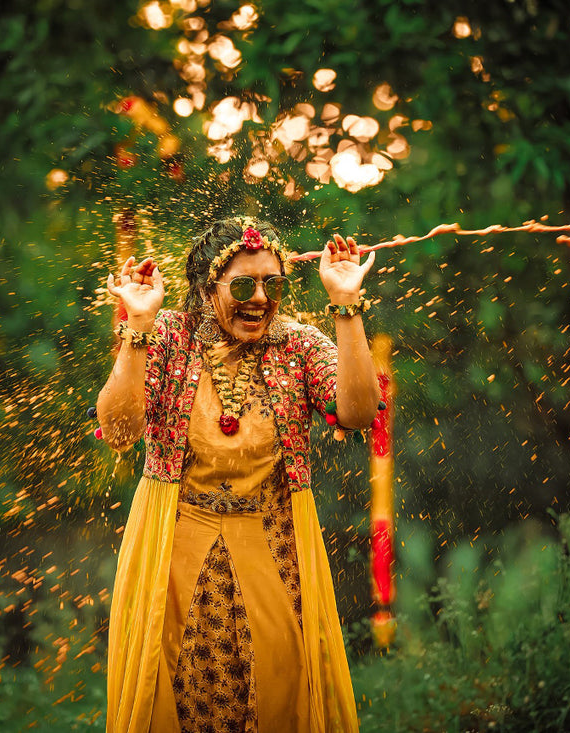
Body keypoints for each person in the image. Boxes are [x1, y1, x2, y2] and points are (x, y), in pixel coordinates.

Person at [97, 215, 379, 733]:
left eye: (272, 285)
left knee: (278, 693)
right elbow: (118, 431)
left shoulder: (298, 345)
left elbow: (359, 412)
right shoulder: (168, 338)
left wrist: (346, 306)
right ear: (208, 288)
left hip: (274, 551)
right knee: (173, 698)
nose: (260, 299)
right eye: (244, 285)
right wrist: (136, 329)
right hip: (173, 554)